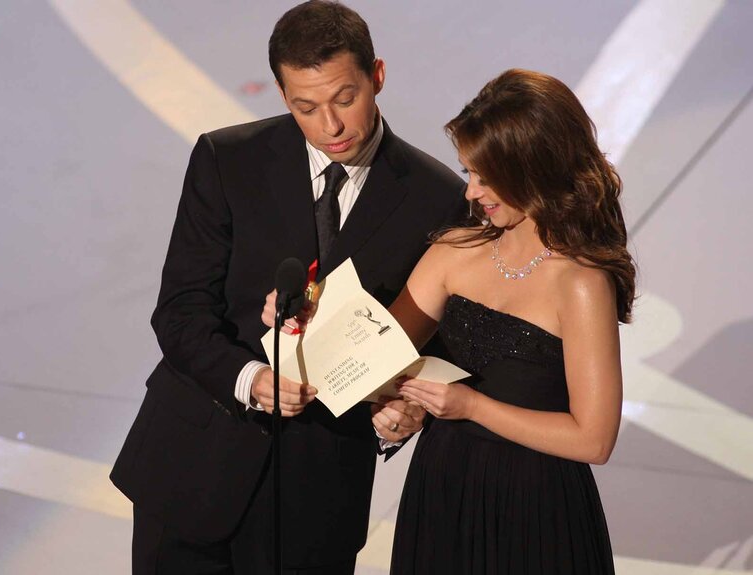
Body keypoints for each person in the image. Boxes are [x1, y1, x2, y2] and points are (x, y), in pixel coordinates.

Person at [109, 1, 466, 573]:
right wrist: (250, 379)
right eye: (306, 106)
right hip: (191, 469)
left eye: (345, 99)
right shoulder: (227, 160)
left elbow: (431, 346)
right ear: (281, 95)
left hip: (319, 492)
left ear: (376, 76)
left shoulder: (437, 197)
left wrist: (405, 412)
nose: (331, 126)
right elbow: (180, 311)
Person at [383, 68, 636, 574]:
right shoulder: (454, 251)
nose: (472, 192)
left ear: (533, 168)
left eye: (485, 176)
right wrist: (305, 321)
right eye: (467, 174)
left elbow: (594, 439)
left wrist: (472, 406)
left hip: (536, 512)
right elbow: (372, 358)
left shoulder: (581, 283)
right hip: (442, 495)